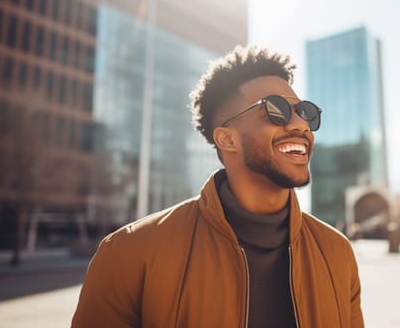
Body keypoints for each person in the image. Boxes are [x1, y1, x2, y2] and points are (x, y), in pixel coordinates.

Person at [72, 46, 364, 328]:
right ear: (227, 139)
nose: (301, 125)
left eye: (305, 112)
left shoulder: (336, 253)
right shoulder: (129, 254)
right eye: (277, 109)